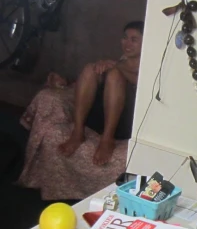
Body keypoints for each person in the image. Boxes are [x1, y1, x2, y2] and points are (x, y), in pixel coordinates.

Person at [58, 20, 144, 166]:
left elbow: (141, 84)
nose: (126, 43)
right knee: (90, 68)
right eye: (125, 38)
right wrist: (100, 68)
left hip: (122, 124)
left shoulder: (148, 66)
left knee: (115, 75)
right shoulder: (121, 61)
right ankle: (78, 132)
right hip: (98, 119)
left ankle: (107, 140)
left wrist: (116, 68)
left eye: (134, 40)